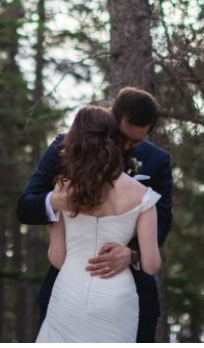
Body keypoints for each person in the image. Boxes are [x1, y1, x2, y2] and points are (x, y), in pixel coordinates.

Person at [16, 87, 174, 343]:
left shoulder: (158, 160)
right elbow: (25, 206)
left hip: (129, 295)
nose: (126, 147)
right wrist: (57, 201)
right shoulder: (65, 147)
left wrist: (132, 253)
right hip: (67, 292)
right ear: (112, 117)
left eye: (137, 141)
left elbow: (163, 220)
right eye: (124, 137)